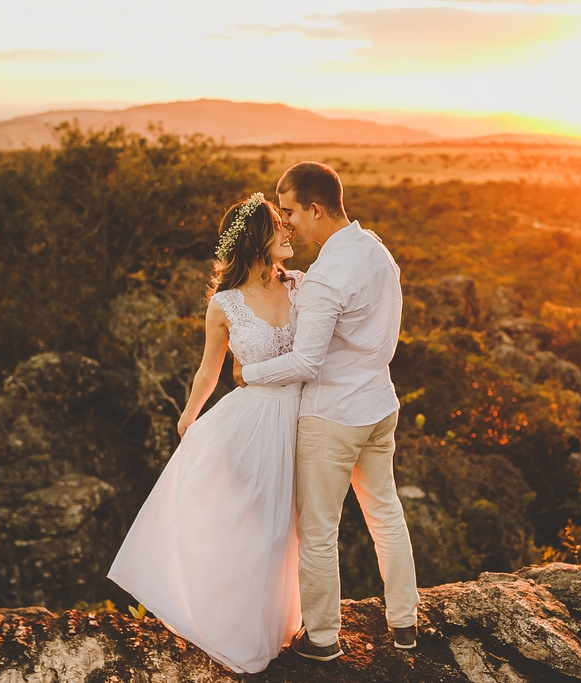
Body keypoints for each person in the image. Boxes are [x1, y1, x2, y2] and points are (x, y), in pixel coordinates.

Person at [108, 193, 303, 674]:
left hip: (304, 418)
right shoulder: (225, 304)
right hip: (252, 424)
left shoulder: (302, 285)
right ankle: (237, 629)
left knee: (291, 529)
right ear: (257, 238)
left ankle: (283, 624)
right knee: (255, 529)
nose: (288, 229)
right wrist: (188, 416)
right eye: (278, 224)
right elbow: (208, 369)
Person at [235, 161, 419, 661]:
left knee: (318, 530)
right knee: (386, 513)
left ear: (315, 208)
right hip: (379, 405)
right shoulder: (376, 251)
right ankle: (405, 623)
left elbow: (305, 362)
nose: (286, 222)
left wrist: (249, 373)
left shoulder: (325, 279)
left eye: (290, 211)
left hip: (332, 416)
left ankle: (321, 638)